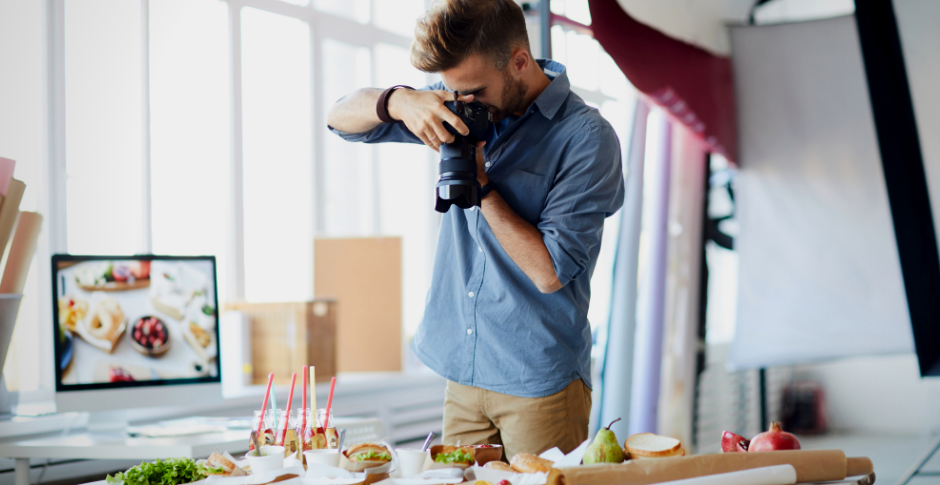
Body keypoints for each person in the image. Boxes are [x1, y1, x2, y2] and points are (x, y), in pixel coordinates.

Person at [327, 0, 624, 459]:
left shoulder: (586, 138)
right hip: (462, 374)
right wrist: (400, 101)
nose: (464, 104)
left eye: (474, 90)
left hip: (538, 380)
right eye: (453, 90)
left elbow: (550, 273)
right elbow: (339, 118)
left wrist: (480, 185)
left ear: (519, 62)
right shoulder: (461, 100)